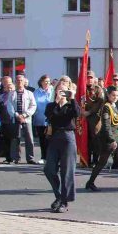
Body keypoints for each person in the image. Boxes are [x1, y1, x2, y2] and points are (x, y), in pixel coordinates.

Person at [43, 78, 81, 212]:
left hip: (68, 138)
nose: (61, 92)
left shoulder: (71, 105)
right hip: (54, 138)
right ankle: (60, 196)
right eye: (59, 89)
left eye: (64, 90)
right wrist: (57, 102)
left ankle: (64, 202)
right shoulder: (51, 105)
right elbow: (49, 116)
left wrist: (72, 98)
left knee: (67, 171)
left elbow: (77, 114)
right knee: (49, 169)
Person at [4, 73, 37, 164]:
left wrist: (25, 115)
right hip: (16, 119)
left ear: (24, 82)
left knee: (29, 139)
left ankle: (30, 158)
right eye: (18, 81)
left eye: (21, 80)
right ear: (15, 82)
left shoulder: (29, 93)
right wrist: (16, 115)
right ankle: (15, 158)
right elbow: (9, 106)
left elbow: (33, 106)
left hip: (26, 119)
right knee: (15, 139)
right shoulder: (12, 94)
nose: (19, 82)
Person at [33, 75, 54, 163]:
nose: (47, 83)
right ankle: (44, 157)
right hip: (40, 119)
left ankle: (52, 158)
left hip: (51, 120)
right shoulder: (36, 92)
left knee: (51, 139)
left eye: (48, 81)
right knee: (42, 139)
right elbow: (33, 104)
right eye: (45, 81)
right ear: (41, 82)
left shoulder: (53, 91)